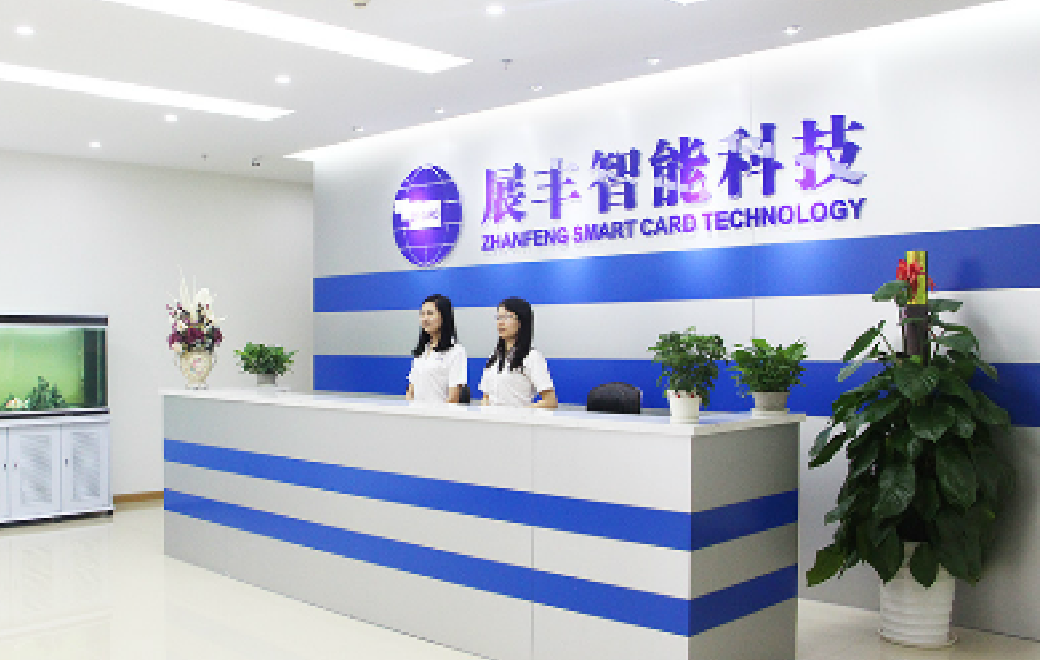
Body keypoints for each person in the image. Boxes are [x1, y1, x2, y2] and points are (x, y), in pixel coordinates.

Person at [479, 297, 558, 409]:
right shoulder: (494, 357)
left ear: (521, 321)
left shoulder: (531, 357)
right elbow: (486, 397)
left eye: (506, 317)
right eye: (498, 317)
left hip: (518, 419)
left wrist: (520, 413)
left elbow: (550, 401)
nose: (501, 322)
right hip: (491, 418)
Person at [405, 294, 467, 404]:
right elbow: (410, 391)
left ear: (444, 317)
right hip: (416, 412)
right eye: (422, 314)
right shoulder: (422, 350)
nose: (425, 319)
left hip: (440, 413)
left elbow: (453, 398)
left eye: (430, 313)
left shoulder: (456, 351)